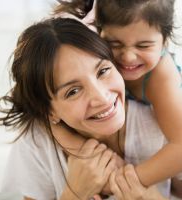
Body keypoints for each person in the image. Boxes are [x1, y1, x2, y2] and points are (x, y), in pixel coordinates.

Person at [0, 17, 176, 200]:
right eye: (73, 91)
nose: (101, 98)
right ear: (49, 111)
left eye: (103, 71)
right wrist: (74, 193)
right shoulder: (37, 143)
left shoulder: (162, 123)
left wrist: (150, 196)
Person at [54, 0, 182, 189]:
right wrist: (80, 149)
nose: (128, 56)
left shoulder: (160, 75)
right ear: (98, 33)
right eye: (114, 43)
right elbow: (44, 112)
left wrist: (122, 181)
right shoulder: (90, 54)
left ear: (165, 41)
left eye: (144, 46)